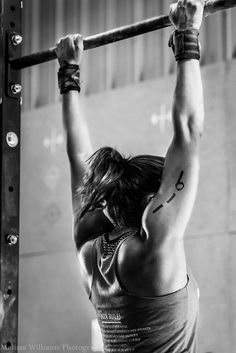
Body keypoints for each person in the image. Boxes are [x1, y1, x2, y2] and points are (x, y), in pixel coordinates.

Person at [55, 0, 204, 351]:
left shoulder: (89, 252)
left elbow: (79, 157)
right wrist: (187, 36)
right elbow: (188, 132)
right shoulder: (154, 250)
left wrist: (187, 33)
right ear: (153, 202)